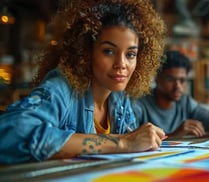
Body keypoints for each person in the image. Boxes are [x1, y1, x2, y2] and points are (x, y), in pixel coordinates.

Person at [0, 0, 167, 164]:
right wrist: (124, 143)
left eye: (130, 54)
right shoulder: (63, 88)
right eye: (108, 51)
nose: (121, 64)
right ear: (86, 51)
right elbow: (9, 134)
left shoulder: (120, 97)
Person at [132, 50, 209, 139]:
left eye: (182, 80)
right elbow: (131, 141)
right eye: (170, 79)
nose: (178, 87)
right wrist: (175, 135)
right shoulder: (140, 105)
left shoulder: (185, 103)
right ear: (157, 79)